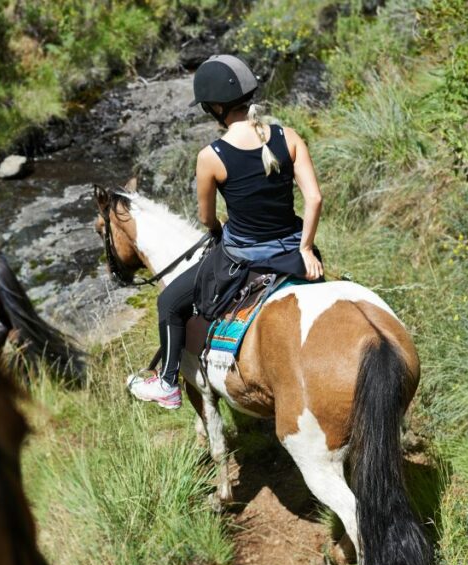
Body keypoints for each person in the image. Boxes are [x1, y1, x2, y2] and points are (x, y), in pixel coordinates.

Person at [129, 55, 325, 410]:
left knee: (168, 302)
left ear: (216, 108)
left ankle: (169, 381)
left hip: (243, 257)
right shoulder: (289, 136)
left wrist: (219, 229)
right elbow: (314, 198)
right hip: (292, 252)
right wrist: (307, 249)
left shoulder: (211, 156)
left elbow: (206, 218)